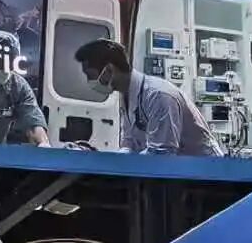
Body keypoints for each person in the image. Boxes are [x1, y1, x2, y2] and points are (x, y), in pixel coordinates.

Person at [73, 38, 222, 156]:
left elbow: (162, 154)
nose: (90, 82)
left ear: (110, 70)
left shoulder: (159, 95)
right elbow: (130, 144)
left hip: (204, 171)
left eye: (91, 75)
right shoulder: (127, 96)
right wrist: (113, 160)